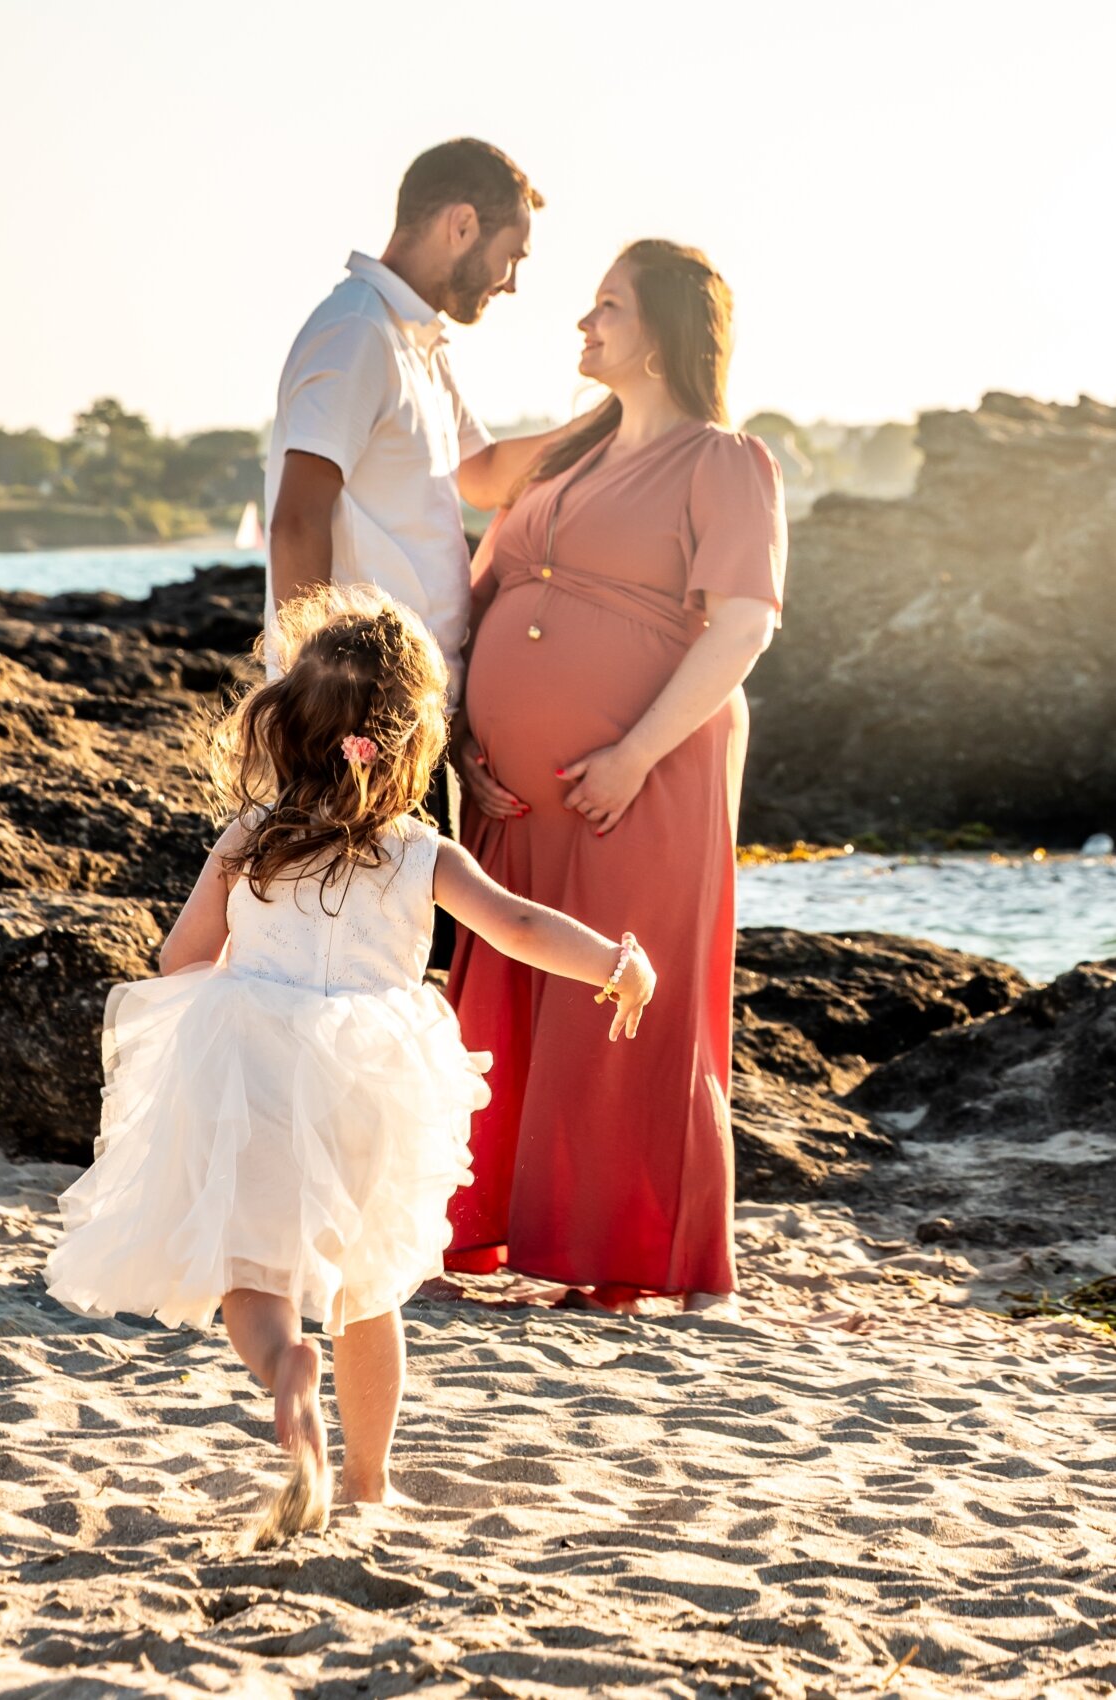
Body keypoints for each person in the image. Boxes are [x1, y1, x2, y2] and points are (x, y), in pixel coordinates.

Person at [45, 586, 655, 1540]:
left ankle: (286, 1367)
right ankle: (370, 1482)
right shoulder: (423, 852)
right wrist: (616, 963)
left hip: (248, 1061)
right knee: (370, 1287)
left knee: (253, 1274)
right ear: (416, 740)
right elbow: (520, 927)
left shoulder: (250, 839)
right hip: (372, 1078)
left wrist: (251, 963)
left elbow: (177, 959)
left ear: (287, 727)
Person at [447, 239, 788, 1314]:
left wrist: (634, 753)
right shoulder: (567, 457)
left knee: (625, 1004)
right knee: (514, 994)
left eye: (607, 307)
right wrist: (463, 742)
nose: (583, 325)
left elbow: (741, 624)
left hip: (643, 781)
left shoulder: (722, 461)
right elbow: (473, 559)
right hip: (511, 788)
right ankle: (509, 1230)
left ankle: (632, 1256)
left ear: (665, 332)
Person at [264, 137, 572, 963]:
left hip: (411, 717)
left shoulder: (418, 344)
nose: (511, 282)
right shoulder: (355, 333)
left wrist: (625, 416)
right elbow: (296, 519)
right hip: (351, 723)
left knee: (401, 973)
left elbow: (482, 475)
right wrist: (314, 710)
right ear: (462, 224)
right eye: (512, 258)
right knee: (350, 974)